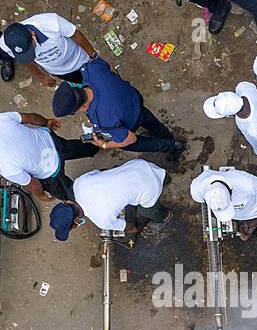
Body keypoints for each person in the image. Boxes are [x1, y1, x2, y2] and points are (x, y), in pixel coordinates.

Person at [51, 58, 186, 161]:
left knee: (128, 143)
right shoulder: (91, 69)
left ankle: (171, 146)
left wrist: (105, 145)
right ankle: (166, 135)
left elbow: (130, 139)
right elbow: (110, 67)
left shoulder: (102, 121)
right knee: (150, 120)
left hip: (130, 122)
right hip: (134, 100)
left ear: (81, 107)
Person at [50, 160, 171, 242]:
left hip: (149, 187)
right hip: (139, 165)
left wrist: (136, 229)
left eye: (74, 227)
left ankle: (164, 216)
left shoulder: (101, 220)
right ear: (67, 203)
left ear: (77, 220)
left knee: (146, 211)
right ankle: (165, 178)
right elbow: (102, 171)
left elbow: (131, 227)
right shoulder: (79, 183)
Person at [0, 110, 98, 203]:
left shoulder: (5, 169)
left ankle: (90, 200)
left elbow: (32, 183)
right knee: (74, 148)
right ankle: (98, 146)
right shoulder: (2, 119)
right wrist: (47, 122)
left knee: (69, 192)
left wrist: (41, 195)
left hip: (51, 170)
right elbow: (30, 117)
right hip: (51, 141)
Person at [190, 165, 257, 245]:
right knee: (252, 219)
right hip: (241, 212)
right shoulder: (197, 188)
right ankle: (252, 223)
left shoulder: (244, 182)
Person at [1, 14, 97, 88]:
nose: (32, 54)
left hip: (82, 60)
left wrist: (94, 57)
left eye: (31, 49)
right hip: (61, 72)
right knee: (84, 83)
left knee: (98, 77)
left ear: (32, 34)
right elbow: (27, 62)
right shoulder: (6, 45)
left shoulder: (51, 23)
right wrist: (41, 76)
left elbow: (76, 35)